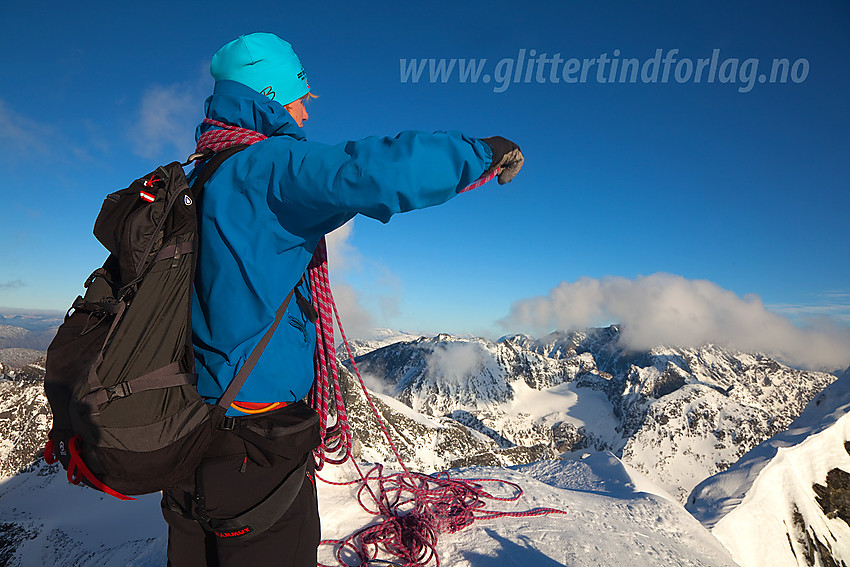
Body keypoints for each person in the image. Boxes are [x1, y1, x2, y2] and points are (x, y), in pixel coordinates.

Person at [159, 32, 524, 567]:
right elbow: (371, 170)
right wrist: (484, 153)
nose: (306, 112)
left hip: (188, 419)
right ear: (272, 93)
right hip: (254, 433)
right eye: (300, 96)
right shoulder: (269, 168)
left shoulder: (203, 171)